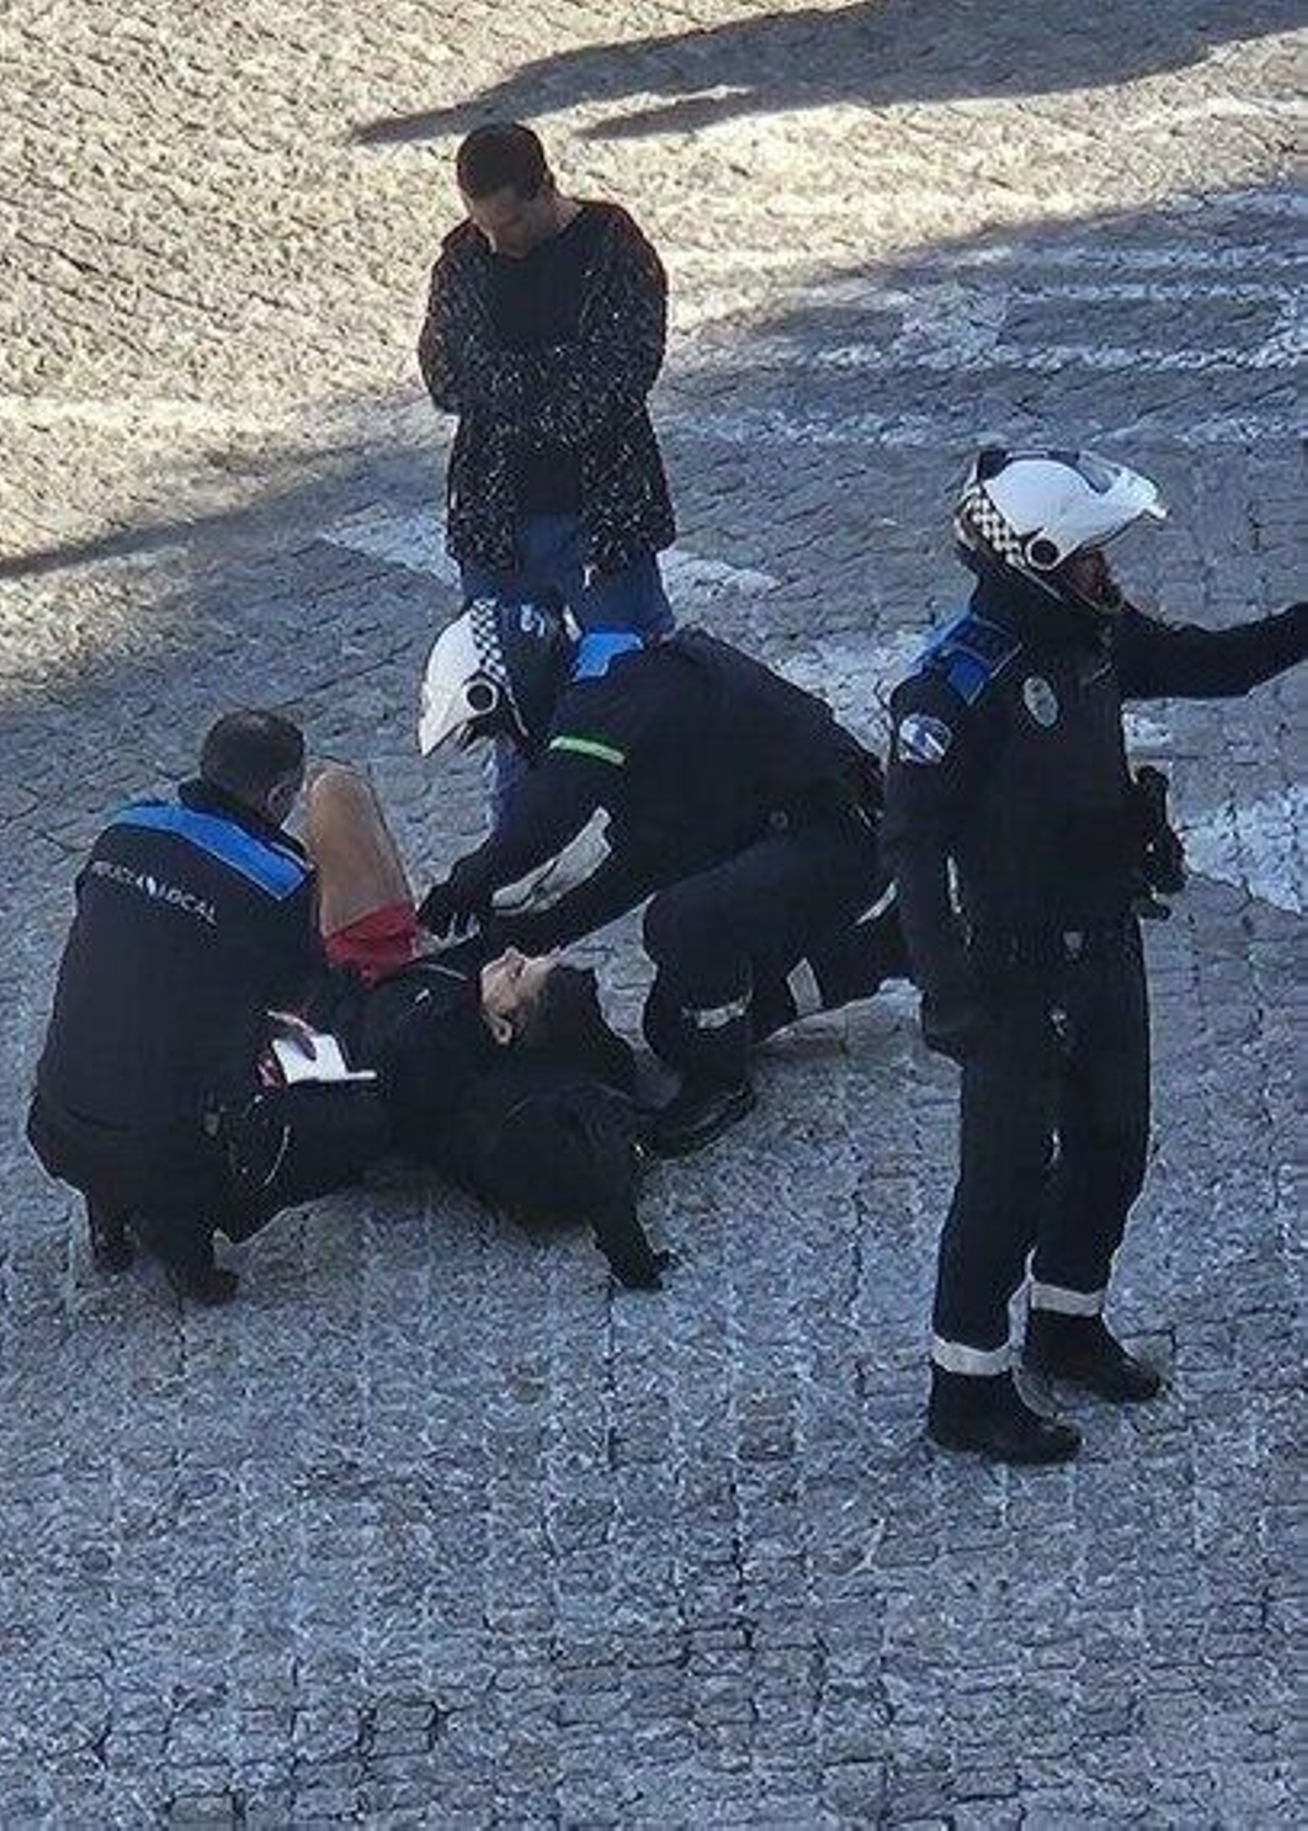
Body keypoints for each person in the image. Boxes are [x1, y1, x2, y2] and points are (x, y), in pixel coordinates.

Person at [884, 446, 1307, 1465]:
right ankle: (966, 1385)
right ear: (1034, 561)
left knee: (1114, 1143)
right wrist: (946, 990)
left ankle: (1066, 1321)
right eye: (1088, 560)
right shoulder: (953, 687)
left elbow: (1218, 663)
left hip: (1102, 937)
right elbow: (911, 846)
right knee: (1005, 1179)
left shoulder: (1092, 640)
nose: (1107, 576)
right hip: (1011, 963)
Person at [415, 601, 906, 1157]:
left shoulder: (614, 692)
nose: (505, 744)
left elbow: (546, 817)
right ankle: (892, 946)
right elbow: (643, 862)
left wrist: (469, 879)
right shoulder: (619, 692)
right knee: (672, 1029)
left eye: (494, 730)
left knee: (687, 922)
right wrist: (525, 934)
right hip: (805, 837)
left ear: (500, 689)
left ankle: (721, 1084)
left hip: (842, 835)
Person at [299, 764, 668, 1289]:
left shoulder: (428, 1047)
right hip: (402, 978)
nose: (512, 956)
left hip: (341, 994)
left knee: (332, 794)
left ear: (501, 1028)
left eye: (516, 972)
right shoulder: (554, 1046)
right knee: (338, 790)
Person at [419, 121, 677, 816]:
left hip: (601, 520)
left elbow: (613, 384)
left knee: (637, 688)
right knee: (507, 708)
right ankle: (518, 859)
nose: (496, 242)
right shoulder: (465, 258)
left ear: (544, 190)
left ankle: (657, 834)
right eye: (482, 225)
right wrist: (553, 376)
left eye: (507, 223)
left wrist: (504, 386)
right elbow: (445, 375)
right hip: (494, 524)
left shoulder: (613, 249)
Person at [27, 711, 325, 1305]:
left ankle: (108, 1221)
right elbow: (294, 995)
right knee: (312, 1095)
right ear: (279, 795)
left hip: (58, 1114)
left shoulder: (124, 829)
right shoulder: (280, 878)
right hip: (167, 1147)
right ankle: (188, 1252)